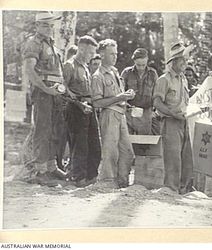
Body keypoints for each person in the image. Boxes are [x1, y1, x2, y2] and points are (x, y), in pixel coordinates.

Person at [22, 11, 67, 185]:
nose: (49, 28)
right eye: (45, 25)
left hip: (56, 93)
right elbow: (30, 71)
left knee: (55, 129)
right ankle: (39, 171)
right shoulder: (34, 43)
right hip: (43, 92)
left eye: (50, 25)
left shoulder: (52, 45)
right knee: (43, 129)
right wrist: (45, 89)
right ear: (37, 26)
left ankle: (51, 166)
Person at [92, 39, 135, 188]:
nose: (115, 57)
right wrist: (120, 97)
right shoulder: (98, 76)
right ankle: (107, 181)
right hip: (109, 115)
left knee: (127, 151)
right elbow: (97, 103)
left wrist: (126, 99)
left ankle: (122, 182)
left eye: (116, 54)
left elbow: (118, 95)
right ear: (102, 55)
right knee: (110, 151)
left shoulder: (115, 72)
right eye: (111, 54)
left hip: (120, 114)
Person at [153, 42, 194, 194]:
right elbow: (157, 103)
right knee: (173, 159)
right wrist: (171, 113)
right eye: (182, 59)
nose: (185, 62)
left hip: (184, 122)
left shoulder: (183, 79)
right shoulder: (164, 80)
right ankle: (171, 190)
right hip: (170, 122)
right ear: (174, 62)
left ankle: (182, 189)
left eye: (186, 59)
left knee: (187, 159)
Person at [63, 35, 101, 187]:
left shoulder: (85, 67)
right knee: (80, 145)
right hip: (75, 107)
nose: (92, 56)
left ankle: (91, 177)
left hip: (88, 106)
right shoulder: (69, 65)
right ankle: (78, 177)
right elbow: (63, 90)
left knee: (94, 143)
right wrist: (79, 104)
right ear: (82, 49)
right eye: (90, 52)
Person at [121, 48, 158, 135]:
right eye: (138, 65)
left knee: (144, 143)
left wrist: (154, 110)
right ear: (134, 61)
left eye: (143, 65)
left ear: (147, 60)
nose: (141, 67)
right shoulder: (126, 73)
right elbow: (120, 91)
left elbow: (156, 94)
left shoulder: (153, 74)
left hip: (146, 114)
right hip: (130, 112)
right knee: (129, 142)